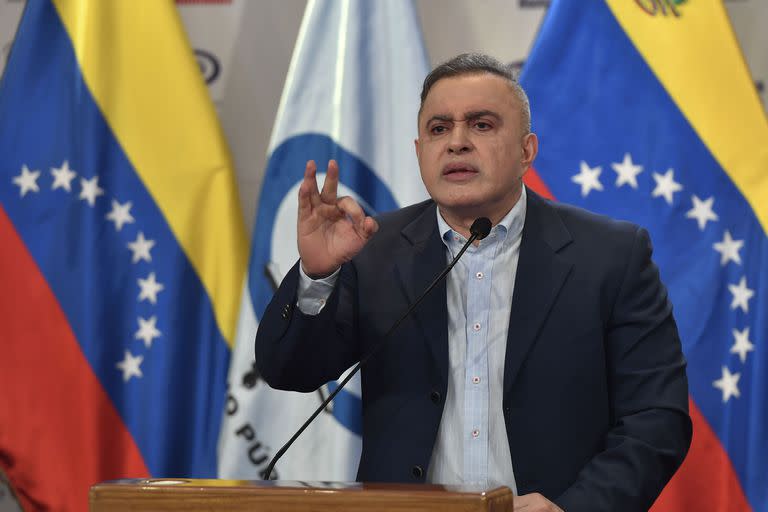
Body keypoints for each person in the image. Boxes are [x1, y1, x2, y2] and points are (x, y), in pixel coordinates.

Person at [255, 53, 691, 512]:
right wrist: (317, 276)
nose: (457, 143)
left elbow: (656, 419)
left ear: (527, 151)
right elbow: (289, 371)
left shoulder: (611, 256)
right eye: (439, 129)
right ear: (419, 150)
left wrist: (573, 508)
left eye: (481, 125)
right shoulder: (373, 252)